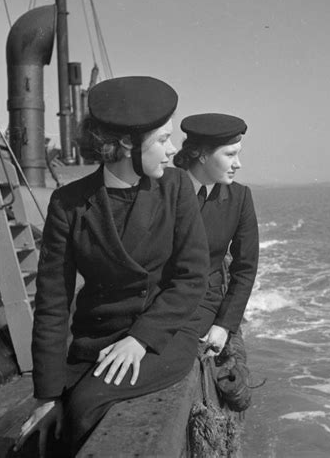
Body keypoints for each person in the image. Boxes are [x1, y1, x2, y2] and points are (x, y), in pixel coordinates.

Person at [14, 76, 209, 457]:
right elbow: (53, 303)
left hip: (161, 336)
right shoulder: (68, 203)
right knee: (39, 437)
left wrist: (140, 339)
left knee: (87, 406)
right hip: (96, 340)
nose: (171, 151)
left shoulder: (176, 188)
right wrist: (47, 395)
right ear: (125, 146)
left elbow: (191, 278)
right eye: (162, 140)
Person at [173, 113, 259, 360]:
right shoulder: (163, 190)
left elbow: (245, 268)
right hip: (156, 303)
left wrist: (223, 326)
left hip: (203, 304)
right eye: (230, 155)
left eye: (238, 154)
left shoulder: (239, 198)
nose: (238, 164)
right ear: (201, 155)